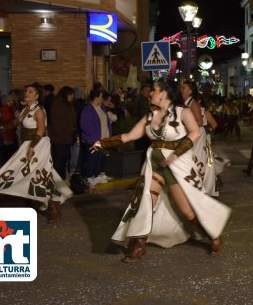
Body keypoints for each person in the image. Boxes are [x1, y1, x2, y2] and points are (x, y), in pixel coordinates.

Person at [92, 78, 231, 262]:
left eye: (155, 90)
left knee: (187, 211)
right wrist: (103, 142)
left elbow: (195, 133)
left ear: (164, 93)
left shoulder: (183, 112)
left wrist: (174, 155)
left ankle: (213, 235)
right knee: (145, 202)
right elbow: (129, 135)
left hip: (177, 165)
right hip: (154, 163)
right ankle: (138, 246)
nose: (151, 93)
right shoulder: (150, 115)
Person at [0, 84, 73, 222]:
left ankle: (52, 206)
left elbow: (41, 130)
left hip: (39, 144)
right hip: (27, 144)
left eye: (31, 92)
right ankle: (39, 201)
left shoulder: (39, 110)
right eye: (26, 91)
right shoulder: (25, 109)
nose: (27, 93)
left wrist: (32, 147)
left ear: (37, 96)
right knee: (23, 171)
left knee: (39, 174)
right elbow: (16, 122)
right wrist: (3, 126)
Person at [80, 89, 112, 186]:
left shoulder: (102, 108)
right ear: (96, 97)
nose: (102, 99)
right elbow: (84, 125)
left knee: (99, 158)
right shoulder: (87, 110)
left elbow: (106, 122)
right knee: (92, 159)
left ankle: (96, 175)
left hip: (103, 139)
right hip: (93, 140)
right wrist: (92, 138)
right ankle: (89, 177)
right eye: (101, 97)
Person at [49, 86, 77, 180]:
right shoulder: (57, 105)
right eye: (70, 94)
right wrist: (61, 135)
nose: (72, 96)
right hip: (60, 140)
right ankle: (57, 183)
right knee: (58, 163)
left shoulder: (68, 105)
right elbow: (55, 123)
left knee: (64, 162)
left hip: (67, 139)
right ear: (65, 94)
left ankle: (62, 181)